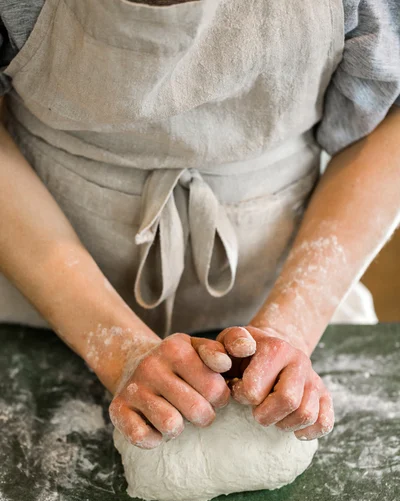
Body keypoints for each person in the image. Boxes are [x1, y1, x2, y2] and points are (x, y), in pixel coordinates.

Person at [0, 0, 399, 450]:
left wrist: (291, 329)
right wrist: (117, 348)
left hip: (293, 289)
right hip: (40, 295)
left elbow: (392, 119)